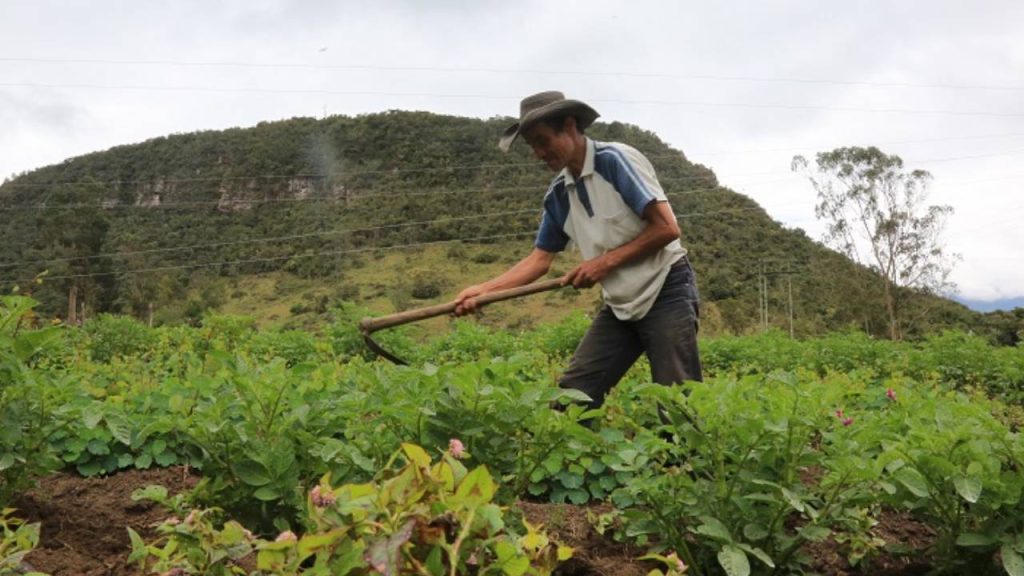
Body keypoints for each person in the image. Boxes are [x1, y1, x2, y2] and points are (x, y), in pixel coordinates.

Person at [454, 90, 702, 412]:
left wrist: (603, 264)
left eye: (543, 141)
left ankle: (688, 463)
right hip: (619, 304)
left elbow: (667, 228)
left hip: (666, 288)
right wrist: (483, 291)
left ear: (570, 126)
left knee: (677, 408)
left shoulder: (614, 161)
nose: (539, 154)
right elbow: (540, 260)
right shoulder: (558, 194)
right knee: (571, 400)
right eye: (533, 147)